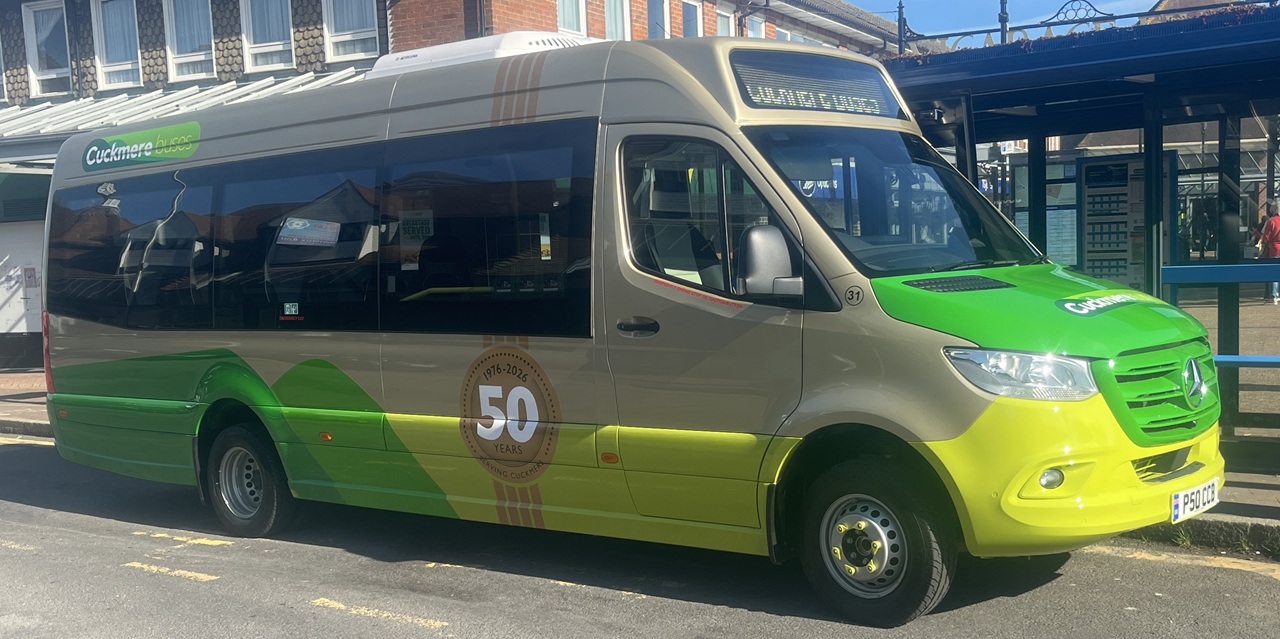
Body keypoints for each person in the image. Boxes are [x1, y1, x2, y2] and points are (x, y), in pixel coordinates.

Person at [1259, 210, 1280, 303]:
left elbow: (1266, 237)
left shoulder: (1271, 221)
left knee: (1274, 273)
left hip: (1274, 249)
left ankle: (1274, 295)